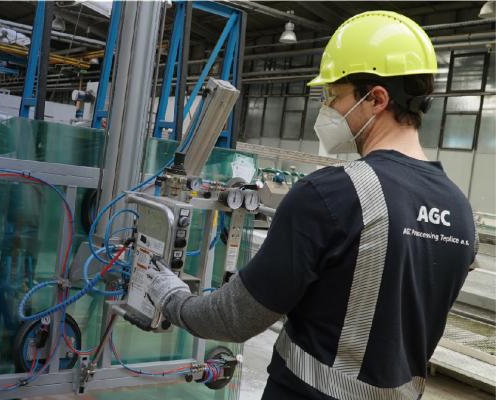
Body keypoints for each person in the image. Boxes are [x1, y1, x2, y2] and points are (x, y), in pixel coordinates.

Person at [145, 10, 477, 400]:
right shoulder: (460, 211)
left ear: (376, 99)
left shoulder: (332, 194)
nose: (329, 110)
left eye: (335, 97)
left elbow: (235, 318)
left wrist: (171, 298)